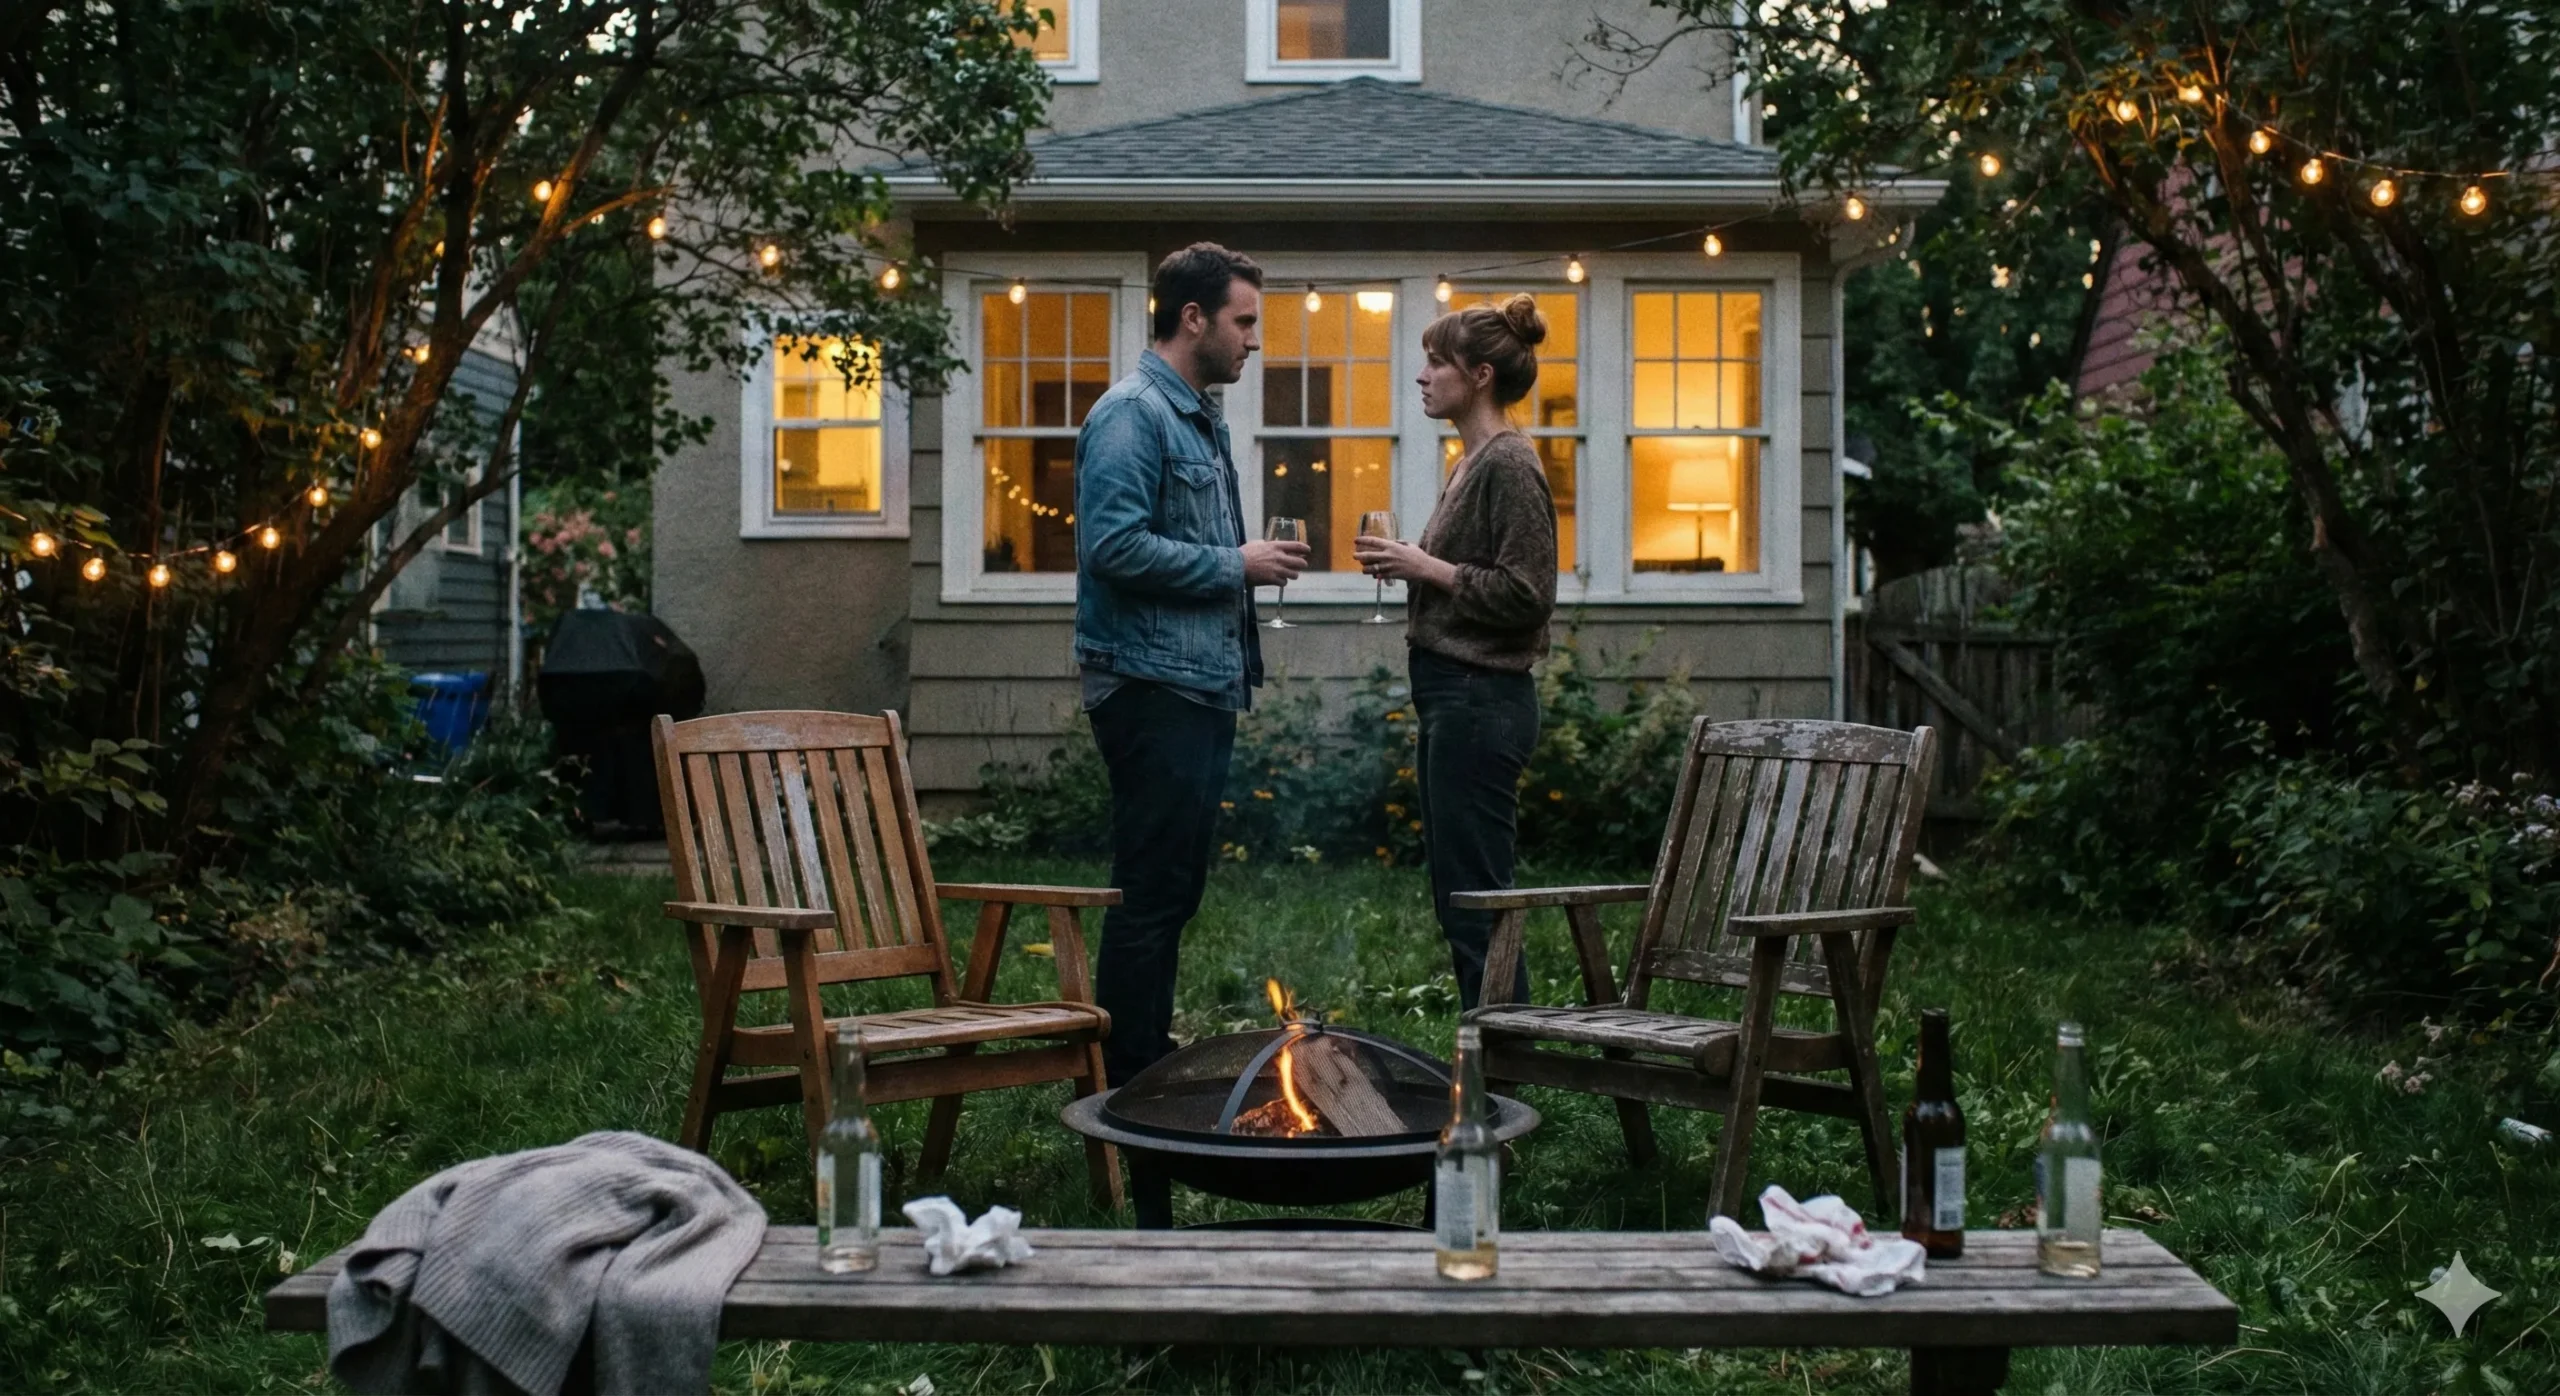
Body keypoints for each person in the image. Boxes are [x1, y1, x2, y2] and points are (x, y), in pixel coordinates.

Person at [1075, 243, 1311, 1087]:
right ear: (1194, 318)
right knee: (1150, 888)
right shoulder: (1132, 414)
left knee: (1174, 887)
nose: (1254, 340)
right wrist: (1233, 565)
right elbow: (1112, 547)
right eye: (1244, 322)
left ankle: (1141, 1052)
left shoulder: (1197, 416)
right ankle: (1124, 1075)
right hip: (1149, 684)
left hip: (1201, 683)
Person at [1353, 295, 1558, 1010]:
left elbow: (1529, 593)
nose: (1421, 375)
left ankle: (1506, 1067)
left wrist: (1425, 568)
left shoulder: (1508, 462)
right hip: (1450, 696)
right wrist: (1420, 566)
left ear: (1477, 375)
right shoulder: (1471, 461)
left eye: (1435, 362)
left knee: (1477, 900)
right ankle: (1493, 1055)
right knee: (1459, 898)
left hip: (1482, 699)